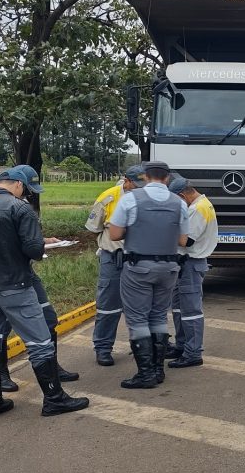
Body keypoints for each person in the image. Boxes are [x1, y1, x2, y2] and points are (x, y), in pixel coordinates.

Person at [0, 166, 89, 419]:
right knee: (39, 342)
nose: (25, 193)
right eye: (26, 188)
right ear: (18, 184)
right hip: (15, 285)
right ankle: (54, 400)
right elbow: (34, 249)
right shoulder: (20, 208)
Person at [108, 160, 189, 389]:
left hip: (138, 267)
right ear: (167, 178)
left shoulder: (131, 199)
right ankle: (158, 370)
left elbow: (114, 235)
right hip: (169, 268)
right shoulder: (179, 203)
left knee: (137, 319)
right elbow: (183, 240)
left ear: (145, 176)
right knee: (159, 316)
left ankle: (145, 374)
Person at [85, 164, 146, 366]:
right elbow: (93, 228)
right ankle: (103, 348)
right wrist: (109, 244)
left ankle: (143, 347)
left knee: (141, 307)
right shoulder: (109, 197)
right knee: (108, 306)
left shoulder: (147, 198)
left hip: (139, 259)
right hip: (113, 259)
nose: (138, 188)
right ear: (126, 181)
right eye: (135, 185)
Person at [167, 176, 218, 369]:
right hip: (184, 264)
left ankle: (193, 353)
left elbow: (186, 241)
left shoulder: (199, 209)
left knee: (191, 311)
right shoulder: (198, 205)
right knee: (180, 307)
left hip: (191, 263)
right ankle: (182, 346)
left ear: (182, 195)